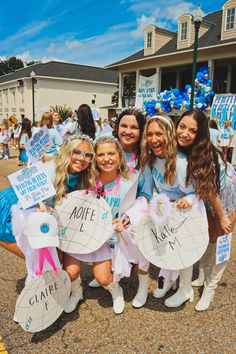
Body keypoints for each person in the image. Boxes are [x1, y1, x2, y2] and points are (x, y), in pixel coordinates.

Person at [64, 135, 132, 315]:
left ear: (119, 156)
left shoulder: (127, 183)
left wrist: (125, 219)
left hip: (105, 238)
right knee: (69, 273)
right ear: (95, 158)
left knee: (102, 278)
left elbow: (137, 205)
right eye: (101, 154)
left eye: (111, 153)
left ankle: (117, 291)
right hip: (80, 233)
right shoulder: (86, 179)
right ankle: (76, 292)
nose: (106, 158)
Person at [176, 110, 235, 311]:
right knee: (208, 236)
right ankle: (202, 274)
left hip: (227, 198)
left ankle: (210, 287)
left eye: (192, 130)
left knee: (222, 242)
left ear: (200, 134)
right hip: (207, 198)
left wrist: (223, 217)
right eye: (182, 126)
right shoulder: (183, 149)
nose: (184, 133)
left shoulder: (205, 153)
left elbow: (211, 189)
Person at [141, 115, 202, 308]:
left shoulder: (181, 162)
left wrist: (187, 200)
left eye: (159, 133)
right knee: (165, 245)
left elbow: (195, 191)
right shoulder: (152, 158)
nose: (154, 139)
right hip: (166, 208)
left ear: (169, 134)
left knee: (183, 249)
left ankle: (185, 288)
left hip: (186, 209)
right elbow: (155, 189)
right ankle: (169, 280)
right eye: (149, 134)